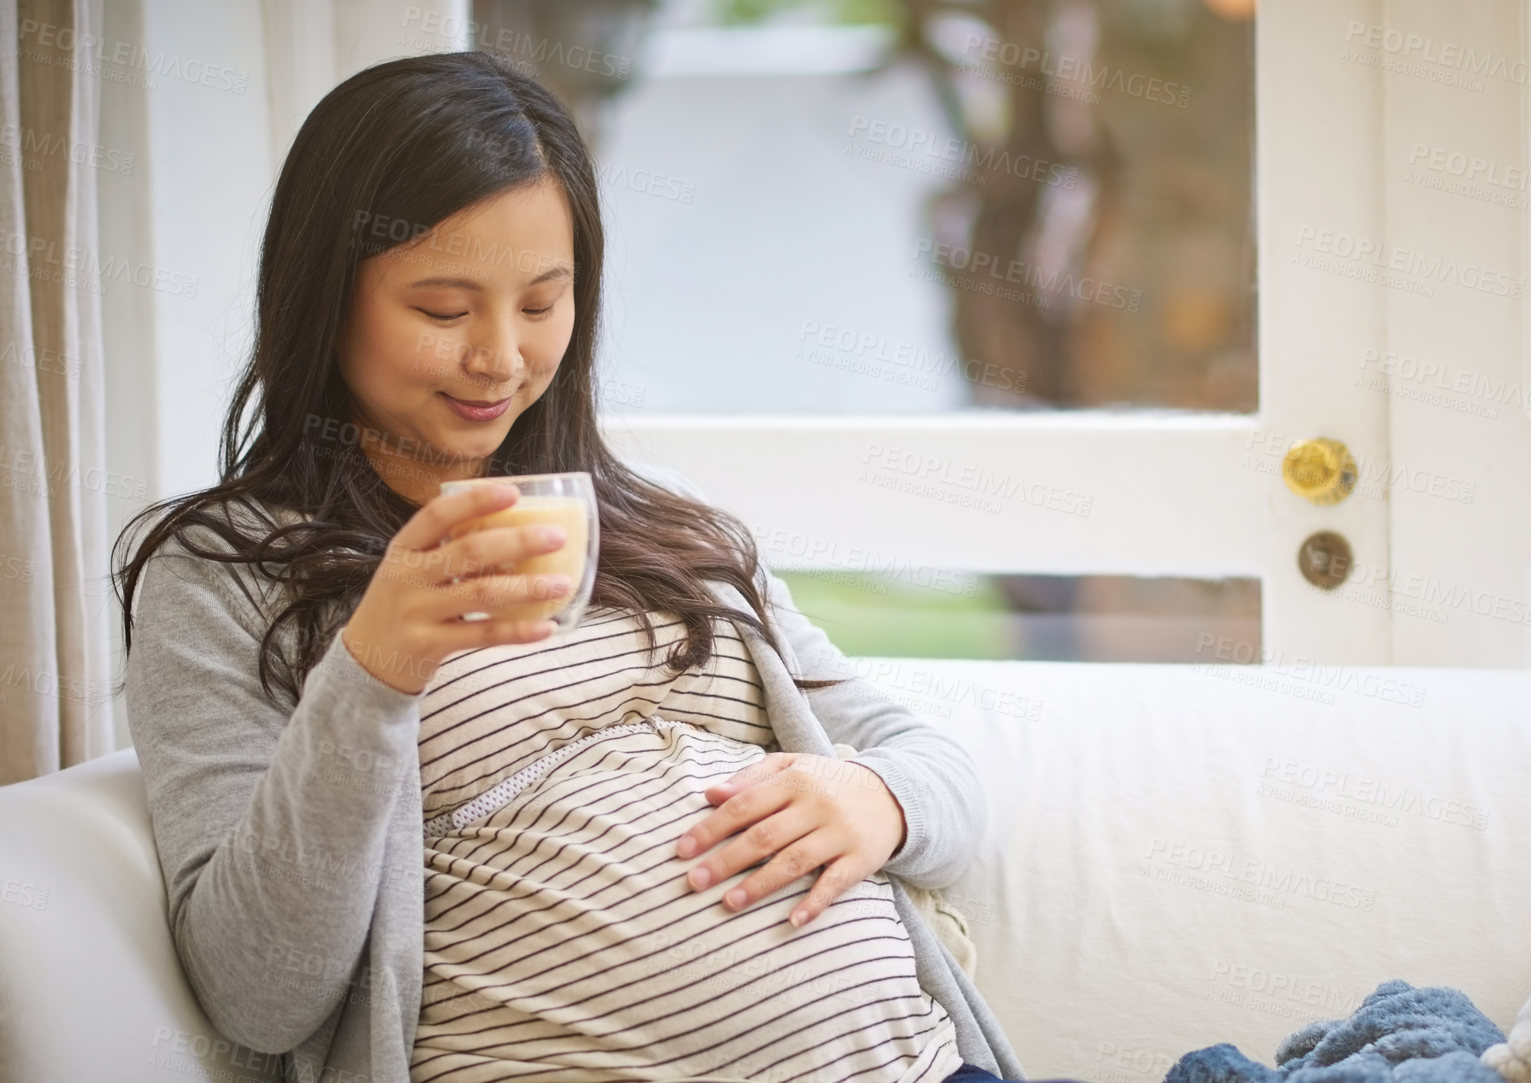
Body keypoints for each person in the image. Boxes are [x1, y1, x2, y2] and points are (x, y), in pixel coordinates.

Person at [115, 50, 1081, 1083]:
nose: (500, 357)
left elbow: (924, 762)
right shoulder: (221, 573)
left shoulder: (660, 525)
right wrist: (373, 670)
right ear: (324, 297)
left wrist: (877, 801)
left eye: (541, 303)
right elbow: (256, 992)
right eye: (443, 311)